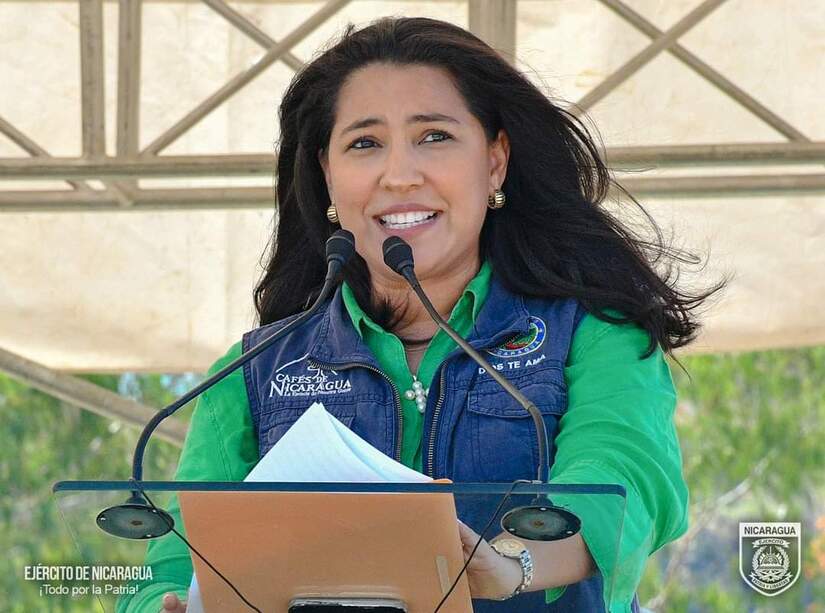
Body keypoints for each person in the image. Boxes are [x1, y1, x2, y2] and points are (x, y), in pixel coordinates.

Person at [117, 16, 723, 613]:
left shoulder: (592, 330)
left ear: (495, 161)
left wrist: (512, 563)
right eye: (364, 144)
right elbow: (168, 572)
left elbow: (620, 480)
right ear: (328, 176)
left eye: (434, 136)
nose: (400, 176)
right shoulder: (252, 372)